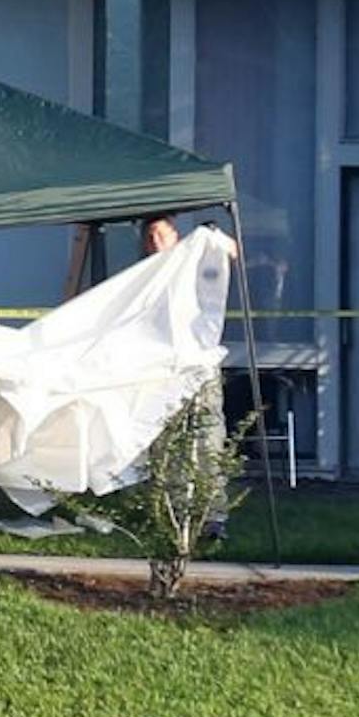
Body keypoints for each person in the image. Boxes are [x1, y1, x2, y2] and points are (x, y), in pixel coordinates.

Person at [138, 213, 230, 540]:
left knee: (207, 437)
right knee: (165, 441)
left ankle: (212, 515)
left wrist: (208, 238)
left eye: (160, 235)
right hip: (162, 368)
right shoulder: (145, 276)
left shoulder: (191, 262)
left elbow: (230, 252)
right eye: (149, 237)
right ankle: (170, 510)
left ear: (176, 234)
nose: (155, 243)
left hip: (198, 365)